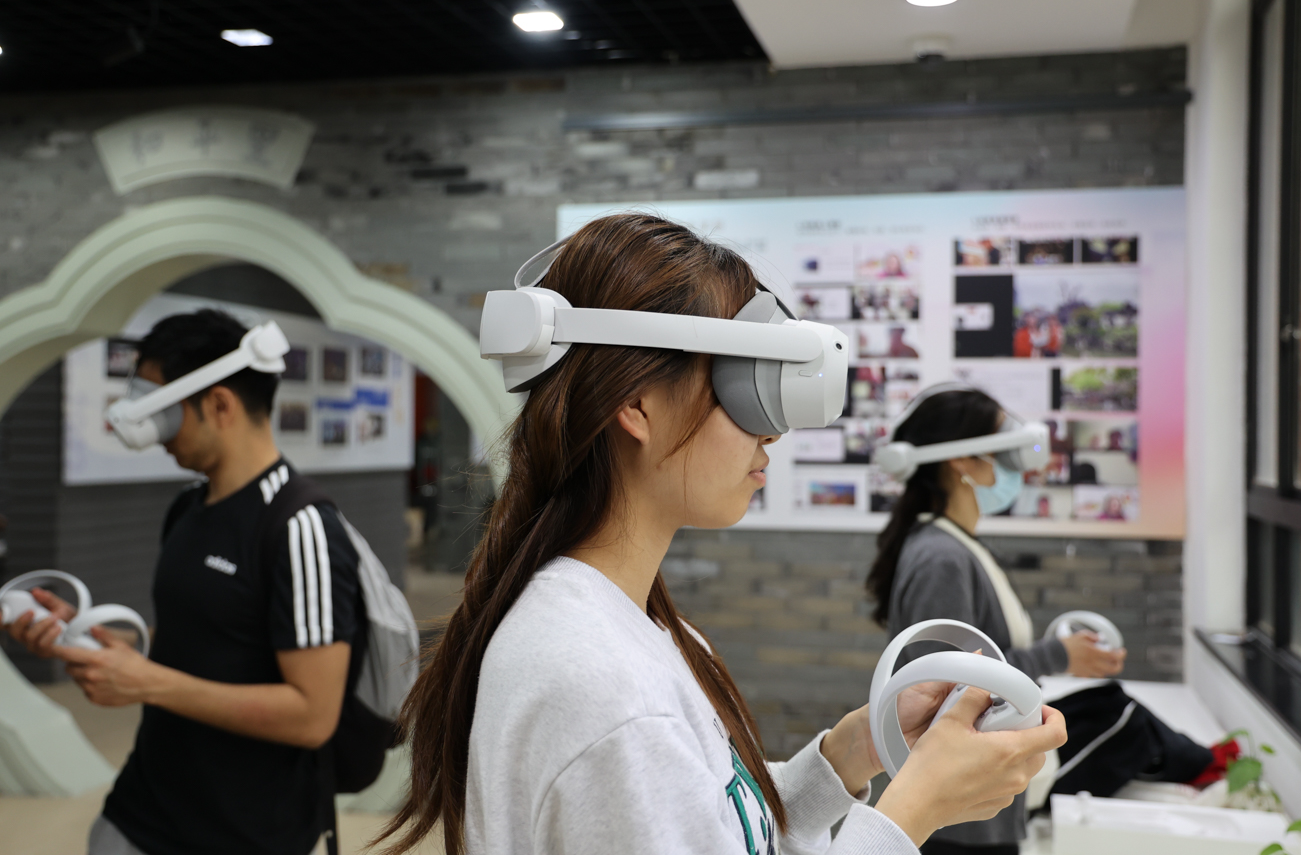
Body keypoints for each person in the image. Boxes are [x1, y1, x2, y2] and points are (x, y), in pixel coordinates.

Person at [376, 214, 1066, 855]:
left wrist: (853, 752)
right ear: (636, 402)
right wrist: (912, 812)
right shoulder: (599, 684)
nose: (773, 433)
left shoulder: (641, 631)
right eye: (747, 384)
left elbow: (720, 826)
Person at [3, 309, 363, 855]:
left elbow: (313, 716)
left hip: (246, 834)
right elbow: (199, 637)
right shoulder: (187, 508)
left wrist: (146, 683)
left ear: (219, 404)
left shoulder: (300, 527)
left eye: (164, 414)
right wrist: (86, 634)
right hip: (141, 808)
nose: (153, 436)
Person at [865, 386, 1219, 855]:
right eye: (1005, 450)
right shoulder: (942, 558)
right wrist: (1057, 656)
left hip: (974, 800)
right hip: (963, 818)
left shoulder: (954, 544)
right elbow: (951, 687)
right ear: (963, 461)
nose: (1019, 466)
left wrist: (1058, 655)